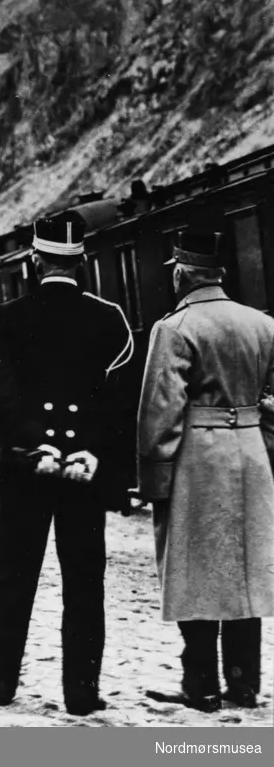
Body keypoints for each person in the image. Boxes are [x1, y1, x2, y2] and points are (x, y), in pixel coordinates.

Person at [0, 211, 134, 716]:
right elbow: (118, 401)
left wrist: (34, 445)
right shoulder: (110, 318)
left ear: (33, 259)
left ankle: (2, 685)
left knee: (14, 579)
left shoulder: (8, 318)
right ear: (83, 261)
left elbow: (1, 399)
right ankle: (82, 693)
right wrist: (89, 449)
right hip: (83, 476)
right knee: (85, 583)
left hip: (28, 471)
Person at [136, 221, 274, 712]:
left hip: (199, 458)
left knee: (196, 572)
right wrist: (263, 444)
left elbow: (160, 412)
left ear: (184, 275)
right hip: (252, 453)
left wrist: (154, 479)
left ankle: (202, 686)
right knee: (245, 572)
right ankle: (243, 684)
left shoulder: (174, 329)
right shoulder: (263, 324)